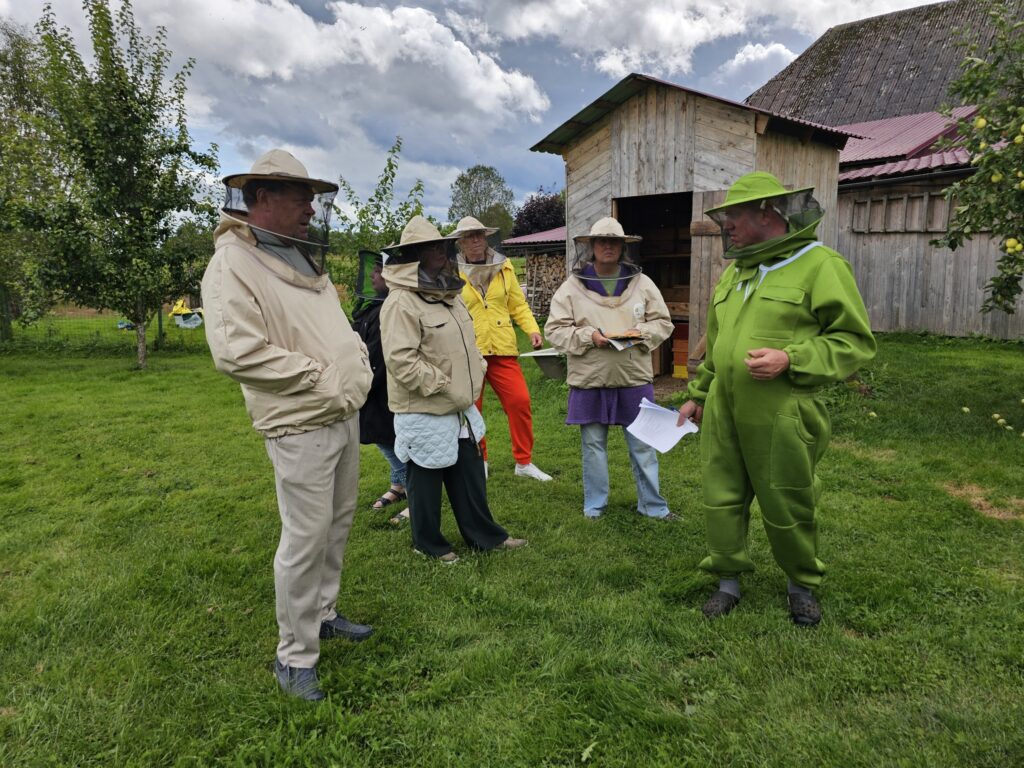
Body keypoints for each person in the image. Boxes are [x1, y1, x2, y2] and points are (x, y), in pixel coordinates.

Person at [202, 149, 374, 702]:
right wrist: (320, 377)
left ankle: (322, 613)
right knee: (304, 538)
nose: (310, 209)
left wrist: (354, 364)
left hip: (340, 414)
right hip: (299, 423)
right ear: (262, 197)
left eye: (312, 199)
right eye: (300, 197)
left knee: (337, 523)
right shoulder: (232, 264)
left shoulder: (298, 255)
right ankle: (294, 657)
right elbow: (237, 351)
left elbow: (329, 326)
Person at [676, 171, 876, 627]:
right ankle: (727, 582)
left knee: (789, 498)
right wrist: (699, 396)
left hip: (783, 412)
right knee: (721, 495)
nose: (726, 225)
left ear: (767, 213)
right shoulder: (735, 272)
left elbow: (853, 341)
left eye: (734, 215)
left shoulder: (820, 265)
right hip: (723, 411)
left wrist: (791, 358)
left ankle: (801, 585)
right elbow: (717, 344)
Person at [380, 216, 527, 563]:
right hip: (425, 409)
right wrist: (445, 385)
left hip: (460, 407)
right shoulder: (401, 302)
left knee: (470, 474)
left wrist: (478, 370)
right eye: (431, 248)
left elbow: (470, 344)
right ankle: (428, 544)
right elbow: (401, 361)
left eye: (441, 246)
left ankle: (486, 537)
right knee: (426, 478)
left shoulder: (450, 293)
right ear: (413, 256)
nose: (441, 253)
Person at [544, 216, 675, 520]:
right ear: (591, 246)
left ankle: (653, 507)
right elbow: (555, 330)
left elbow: (663, 322)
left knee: (643, 444)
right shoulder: (572, 287)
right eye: (602, 241)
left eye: (614, 241)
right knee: (593, 446)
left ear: (622, 246)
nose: (608, 246)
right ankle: (595, 507)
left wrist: (641, 333)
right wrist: (588, 336)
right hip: (590, 378)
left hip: (633, 377)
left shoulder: (642, 283)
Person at [453, 215, 553, 482]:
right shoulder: (451, 272)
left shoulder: (504, 266)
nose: (475, 240)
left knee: (520, 402)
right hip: (469, 351)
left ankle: (524, 462)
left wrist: (532, 329)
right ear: (460, 242)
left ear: (485, 237)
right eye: (469, 236)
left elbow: (518, 305)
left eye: (479, 235)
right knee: (472, 409)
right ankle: (480, 461)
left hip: (502, 348)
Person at [352, 249, 408, 524]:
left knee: (391, 437)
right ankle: (399, 484)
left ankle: (413, 488)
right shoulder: (371, 307)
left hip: (386, 386)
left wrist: (366, 384)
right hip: (369, 385)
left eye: (378, 271)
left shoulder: (394, 308)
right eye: (373, 271)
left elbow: (383, 354)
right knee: (379, 434)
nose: (373, 276)